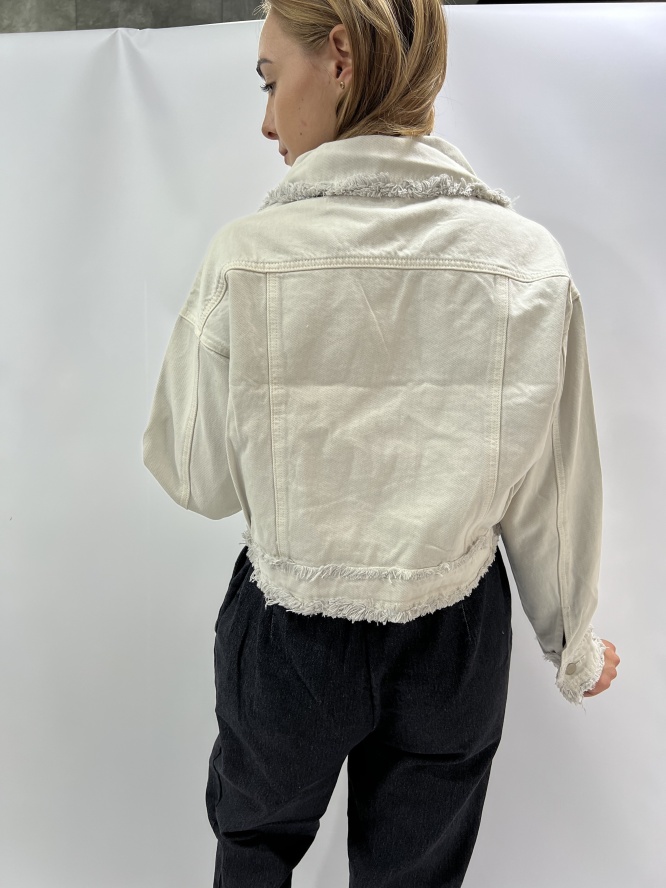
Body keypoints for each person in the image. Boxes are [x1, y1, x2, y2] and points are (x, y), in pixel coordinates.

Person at [142, 1, 620, 885]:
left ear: (340, 57)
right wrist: (572, 640)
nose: (267, 120)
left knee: (253, 851)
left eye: (269, 81)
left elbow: (197, 475)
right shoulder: (527, 262)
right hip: (454, 637)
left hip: (289, 632)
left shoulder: (246, 256)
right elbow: (555, 485)